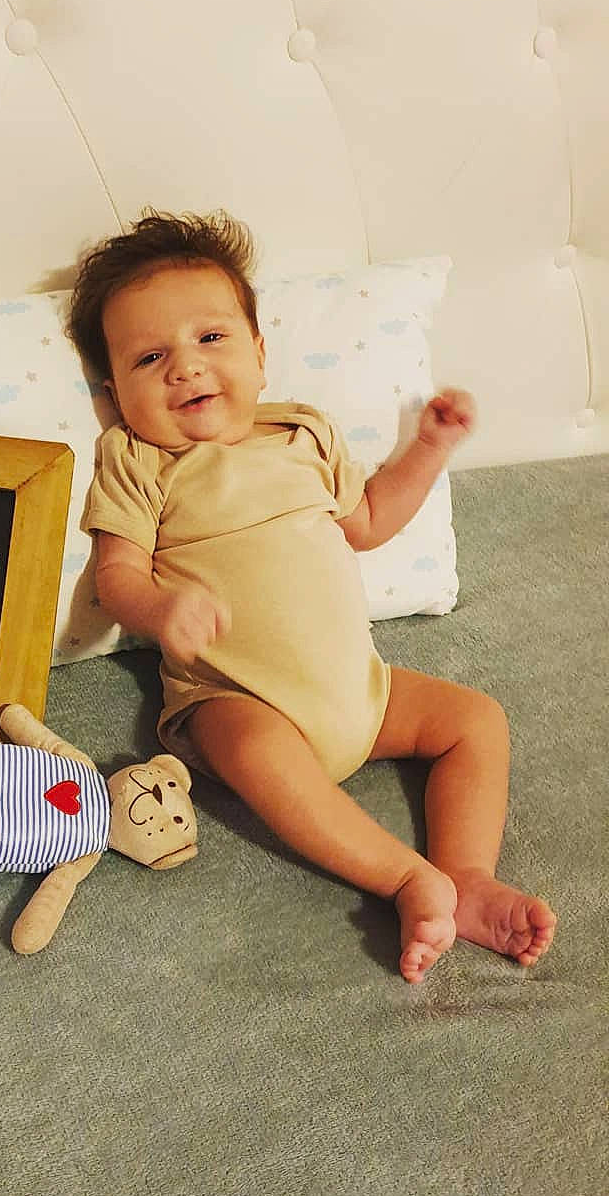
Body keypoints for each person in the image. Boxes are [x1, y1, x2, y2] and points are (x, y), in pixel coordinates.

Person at [70, 210, 556, 982]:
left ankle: (465, 876)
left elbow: (369, 521)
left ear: (260, 355)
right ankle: (404, 878)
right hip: (235, 696)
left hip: (362, 690)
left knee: (476, 720)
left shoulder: (304, 432)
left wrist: (429, 449)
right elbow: (117, 576)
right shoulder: (136, 460)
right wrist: (161, 609)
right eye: (150, 357)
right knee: (253, 749)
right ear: (114, 392)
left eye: (211, 338)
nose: (186, 368)